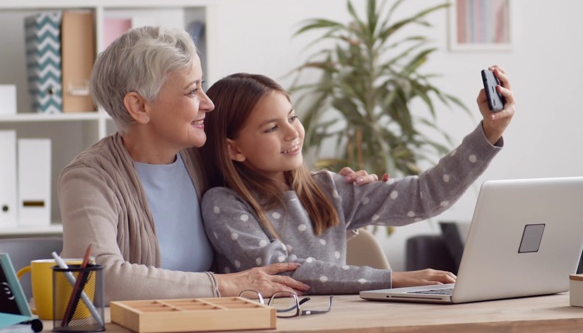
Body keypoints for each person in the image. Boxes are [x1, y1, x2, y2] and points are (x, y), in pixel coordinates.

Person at [57, 26, 381, 303]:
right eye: (191, 90)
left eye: (202, 85)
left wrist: (335, 202)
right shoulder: (89, 179)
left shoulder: (203, 153)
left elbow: (269, 211)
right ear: (139, 106)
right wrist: (226, 284)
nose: (208, 103)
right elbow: (95, 277)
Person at [198, 69, 515, 294]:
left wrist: (488, 133)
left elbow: (424, 197)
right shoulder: (223, 204)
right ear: (233, 148)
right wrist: (394, 279)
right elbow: (283, 272)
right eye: (271, 128)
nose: (293, 132)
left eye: (292, 117)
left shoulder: (329, 189)